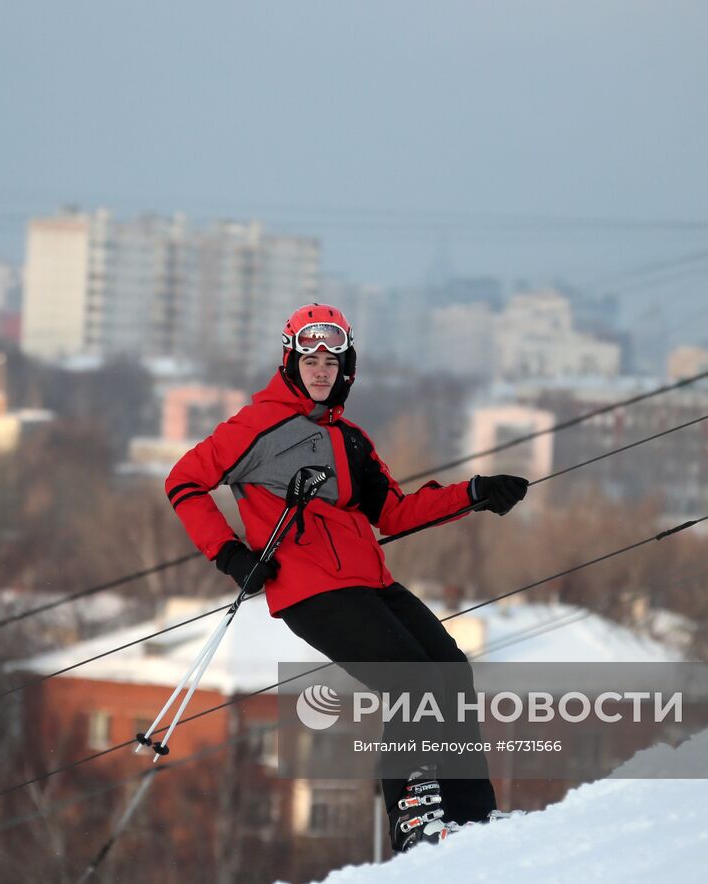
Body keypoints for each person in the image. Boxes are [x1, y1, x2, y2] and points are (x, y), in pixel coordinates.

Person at [165, 304, 529, 852]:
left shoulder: (352, 438)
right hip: (312, 588)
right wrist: (231, 554)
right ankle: (414, 818)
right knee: (413, 684)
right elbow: (185, 481)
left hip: (371, 581)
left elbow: (396, 513)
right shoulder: (257, 424)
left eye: (330, 361)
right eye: (308, 358)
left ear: (346, 368)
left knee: (450, 673)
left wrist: (474, 493)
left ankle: (473, 819)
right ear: (289, 361)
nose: (319, 369)